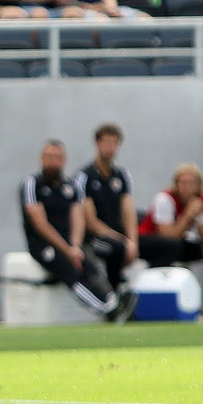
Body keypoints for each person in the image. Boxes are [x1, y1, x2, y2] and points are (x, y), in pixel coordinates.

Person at [21, 139, 137, 321]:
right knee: (69, 269)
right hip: (43, 245)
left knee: (89, 265)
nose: (52, 162)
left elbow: (78, 218)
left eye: (57, 157)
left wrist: (75, 245)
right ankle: (108, 310)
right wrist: (67, 250)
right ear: (41, 158)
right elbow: (40, 224)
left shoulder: (70, 187)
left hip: (69, 244)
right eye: (49, 157)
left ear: (64, 160)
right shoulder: (32, 184)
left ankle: (113, 301)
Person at [138, 163, 203, 317]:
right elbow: (169, 237)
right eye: (183, 183)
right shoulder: (165, 199)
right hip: (152, 242)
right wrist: (188, 215)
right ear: (176, 184)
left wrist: (199, 217)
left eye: (192, 183)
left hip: (179, 243)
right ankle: (164, 302)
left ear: (199, 185)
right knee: (172, 247)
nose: (187, 188)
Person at [73, 123, 138, 293]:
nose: (110, 148)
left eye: (114, 143)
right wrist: (122, 241)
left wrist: (133, 241)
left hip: (117, 235)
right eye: (106, 142)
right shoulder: (85, 176)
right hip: (93, 238)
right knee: (116, 248)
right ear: (97, 144)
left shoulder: (122, 176)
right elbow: (90, 221)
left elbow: (128, 211)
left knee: (161, 246)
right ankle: (113, 293)